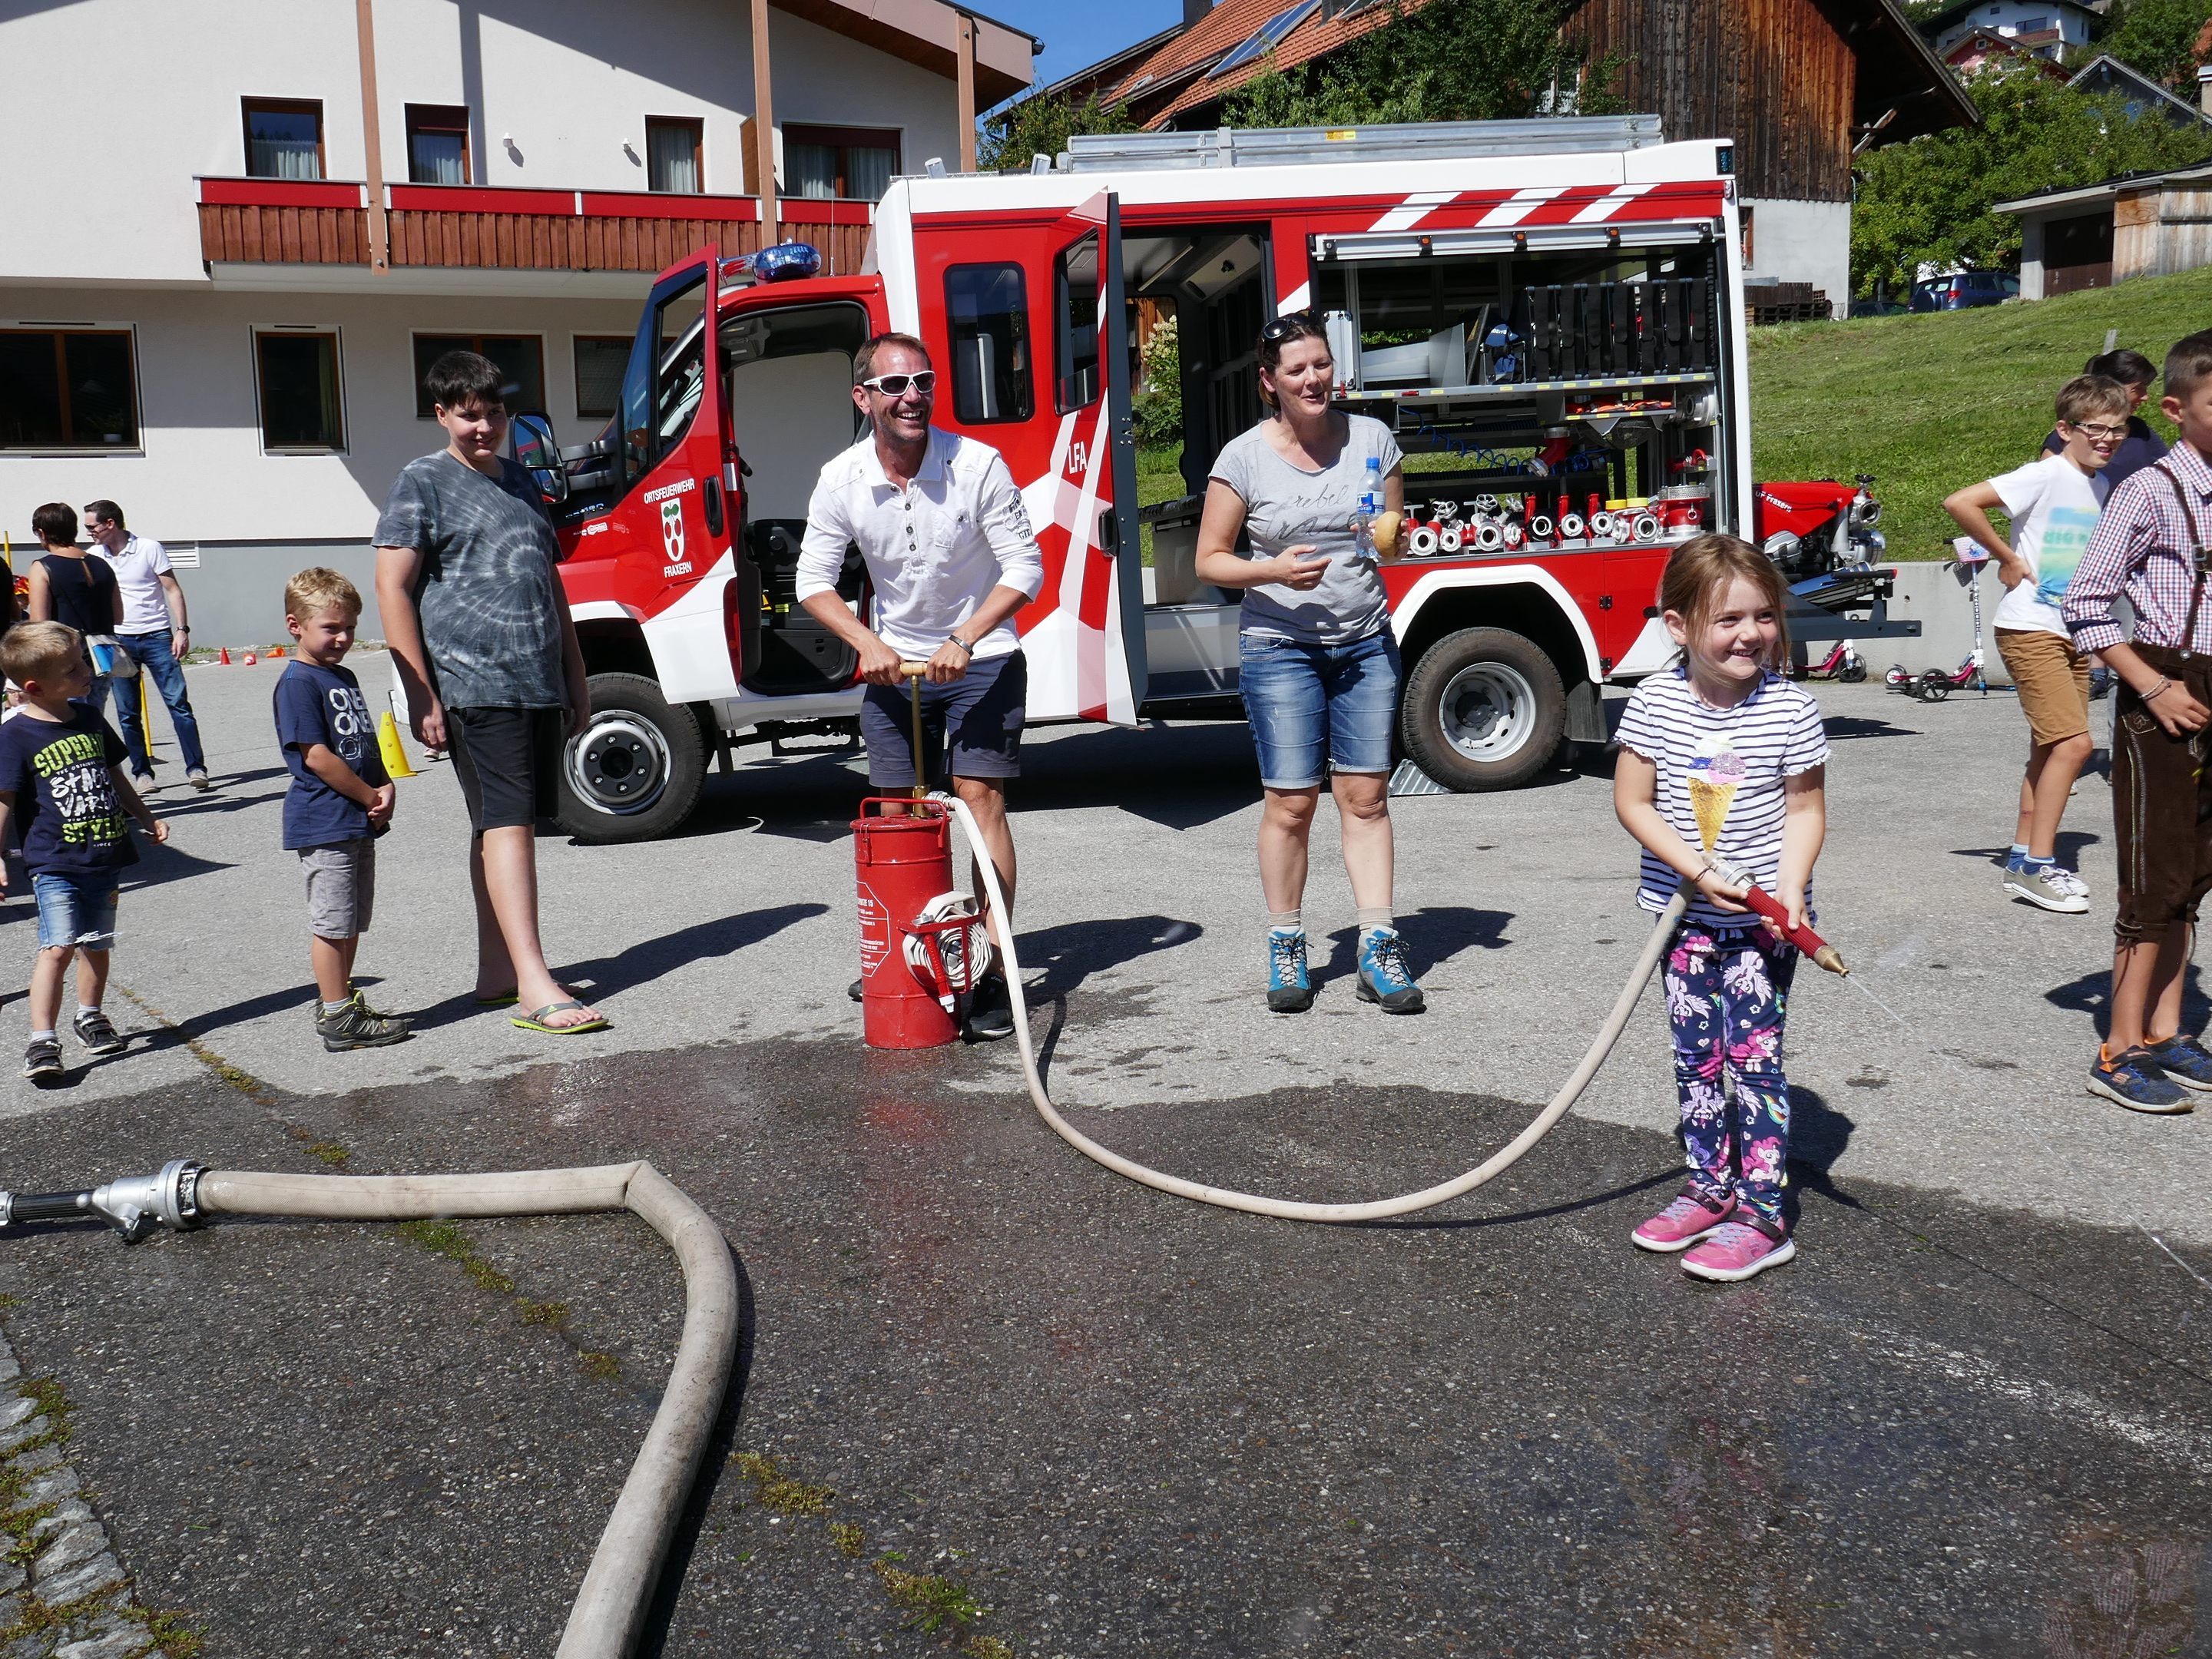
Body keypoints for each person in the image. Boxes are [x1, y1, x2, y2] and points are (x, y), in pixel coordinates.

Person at [796, 332, 1041, 1041]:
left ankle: (991, 966)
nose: (912, 397)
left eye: (923, 382)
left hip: (983, 655)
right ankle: (914, 955)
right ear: (863, 398)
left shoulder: (978, 465)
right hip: (895, 662)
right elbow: (813, 581)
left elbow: (1023, 568)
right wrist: (866, 642)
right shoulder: (841, 479)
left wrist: (965, 638)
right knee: (900, 815)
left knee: (978, 799)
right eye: (895, 385)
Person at [1613, 535, 1829, 1283]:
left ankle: (1764, 1215)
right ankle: (1711, 1186)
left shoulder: (1791, 708)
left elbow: (1805, 811)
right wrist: (1695, 869)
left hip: (1764, 926)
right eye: (1728, 619)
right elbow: (1632, 802)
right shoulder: (1654, 701)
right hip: (1683, 921)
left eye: (1763, 616)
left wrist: (1792, 890)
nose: (1750, 635)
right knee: (1696, 1059)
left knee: (1754, 1060)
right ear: (1679, 626)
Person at [1194, 310, 1422, 1015]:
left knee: (1367, 798)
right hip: (1280, 646)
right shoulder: (1243, 459)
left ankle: (1378, 945)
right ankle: (1287, 942)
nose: (1313, 378)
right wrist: (1270, 572)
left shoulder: (1373, 440)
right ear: (1271, 382)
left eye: (1321, 364)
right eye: (1296, 369)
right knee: (1291, 803)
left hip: (1364, 638)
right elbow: (1210, 559)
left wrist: (1396, 541)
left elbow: (1388, 538)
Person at [373, 349, 606, 1037]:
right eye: (469, 416)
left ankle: (498, 972)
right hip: (474, 681)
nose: (484, 428)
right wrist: (420, 693)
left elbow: (548, 582)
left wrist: (575, 672)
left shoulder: (522, 480)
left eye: (494, 414)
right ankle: (536, 985)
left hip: (535, 679)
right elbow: (391, 586)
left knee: (499, 824)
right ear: (442, 414)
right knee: (510, 825)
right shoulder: (423, 482)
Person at [2061, 329, 2212, 1113]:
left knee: (2193, 876)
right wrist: (2154, 688)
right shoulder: (2149, 489)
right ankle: (2118, 1049)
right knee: (2152, 877)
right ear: (2180, 409)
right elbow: (2084, 605)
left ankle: (2165, 1028)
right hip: (2164, 689)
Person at [1944, 373, 2128, 914]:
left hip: (2069, 631)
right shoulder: (2046, 475)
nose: (2107, 438)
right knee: (2074, 746)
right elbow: (1961, 502)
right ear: (2064, 428)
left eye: (2117, 429)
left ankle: (2023, 854)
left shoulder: (2101, 486)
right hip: (2029, 628)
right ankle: (2038, 868)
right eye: (2096, 428)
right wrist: (2006, 556)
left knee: (2049, 748)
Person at [0, 621, 167, 1081]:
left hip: (104, 855)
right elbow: (6, 800)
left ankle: (89, 1015)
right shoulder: (16, 736)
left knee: (96, 943)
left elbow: (117, 777)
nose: (86, 671)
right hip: (54, 861)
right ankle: (42, 1041)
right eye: (73, 669)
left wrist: (147, 819)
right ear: (35, 687)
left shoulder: (90, 718)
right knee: (57, 947)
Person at [275, 568, 407, 1052]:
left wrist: (385, 785)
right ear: (296, 625)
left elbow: (362, 744)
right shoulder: (297, 683)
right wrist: (368, 796)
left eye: (349, 627)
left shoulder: (342, 676)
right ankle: (336, 1016)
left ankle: (342, 999)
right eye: (330, 628)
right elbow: (316, 756)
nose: (343, 637)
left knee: (350, 920)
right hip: (324, 818)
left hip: (356, 815)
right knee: (332, 924)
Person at [82, 498, 210, 792]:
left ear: (110, 523)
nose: (89, 531)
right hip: (119, 640)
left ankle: (196, 768)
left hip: (156, 636)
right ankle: (142, 773)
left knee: (178, 705)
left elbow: (172, 589)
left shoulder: (149, 548)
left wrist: (181, 631)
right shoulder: (94, 556)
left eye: (92, 526)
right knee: (128, 713)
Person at [25, 504, 121, 717]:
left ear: (42, 532)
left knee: (67, 721)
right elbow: (119, 615)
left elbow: (39, 625)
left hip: (66, 657)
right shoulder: (102, 565)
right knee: (94, 718)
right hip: (103, 653)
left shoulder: (43, 566)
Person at [2044, 349, 2167, 489]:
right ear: (2112, 388)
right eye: (2137, 389)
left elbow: (2169, 472)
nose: (2146, 397)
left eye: (2118, 431)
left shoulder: (2140, 430)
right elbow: (2047, 491)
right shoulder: (2070, 437)